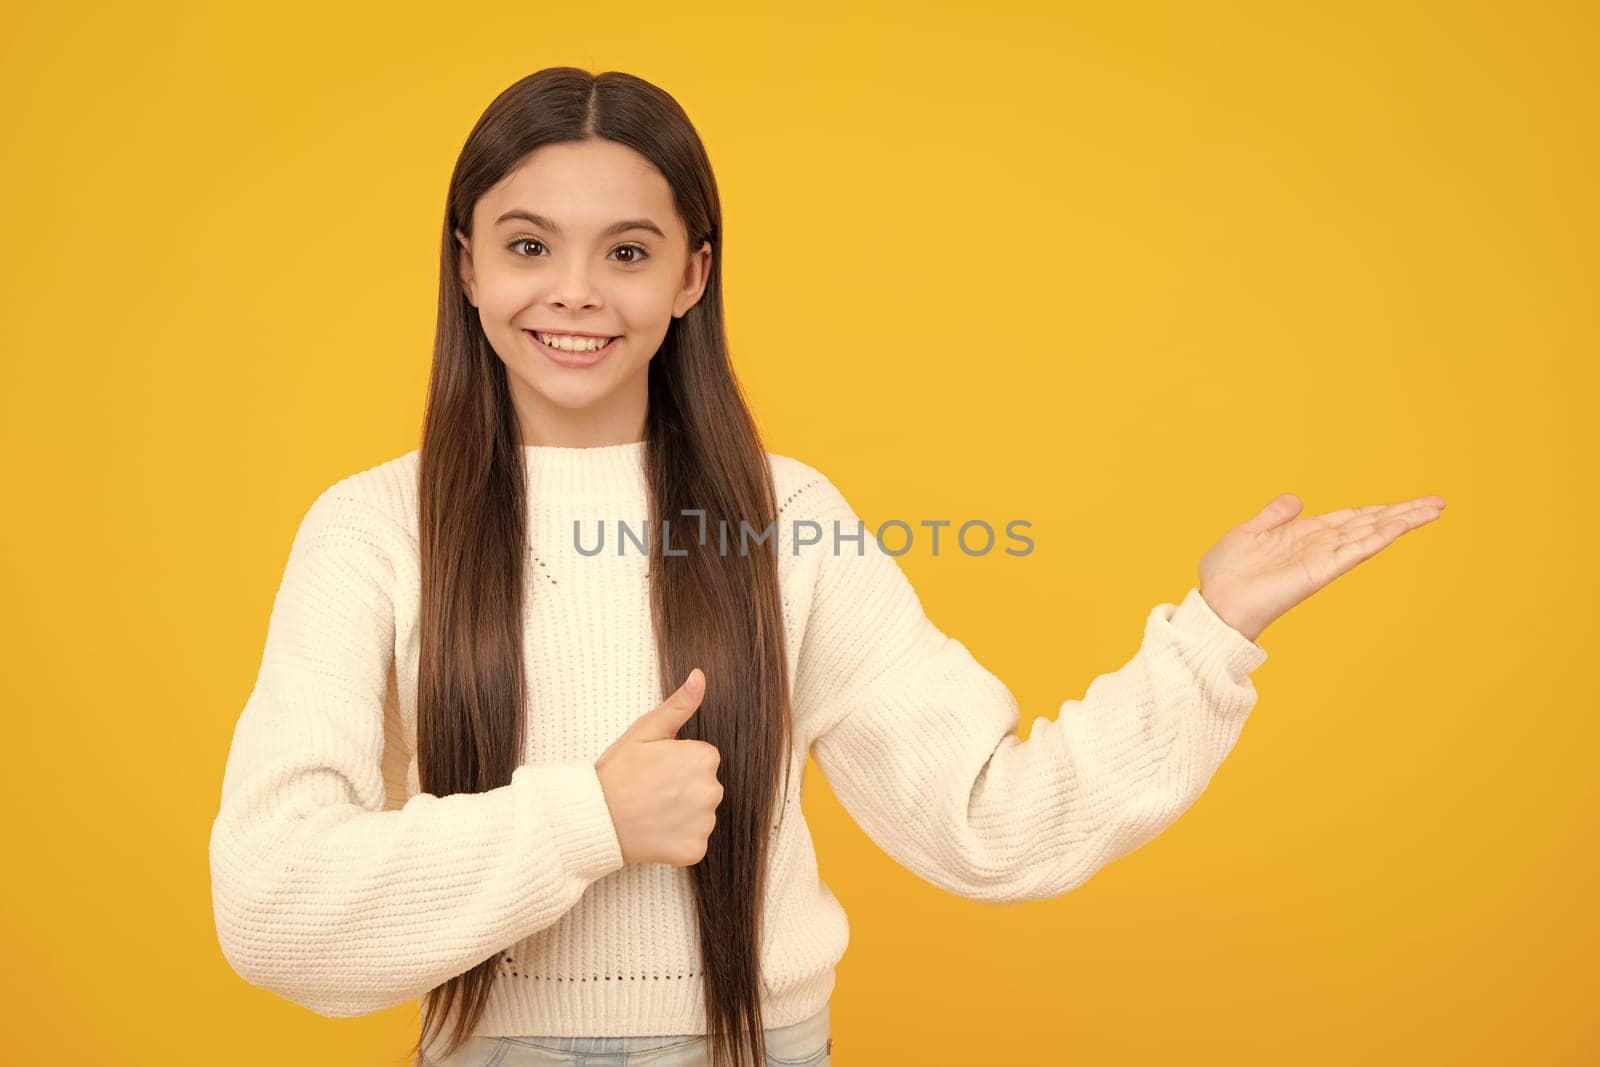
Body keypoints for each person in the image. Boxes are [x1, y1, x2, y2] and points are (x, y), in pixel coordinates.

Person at [206, 67, 1446, 1067]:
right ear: (467, 262)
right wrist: (590, 818)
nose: (575, 292)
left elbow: (991, 827)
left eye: (628, 253)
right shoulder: (371, 530)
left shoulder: (787, 518)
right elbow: (270, 905)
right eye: (529, 246)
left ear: (693, 274)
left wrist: (1211, 633)